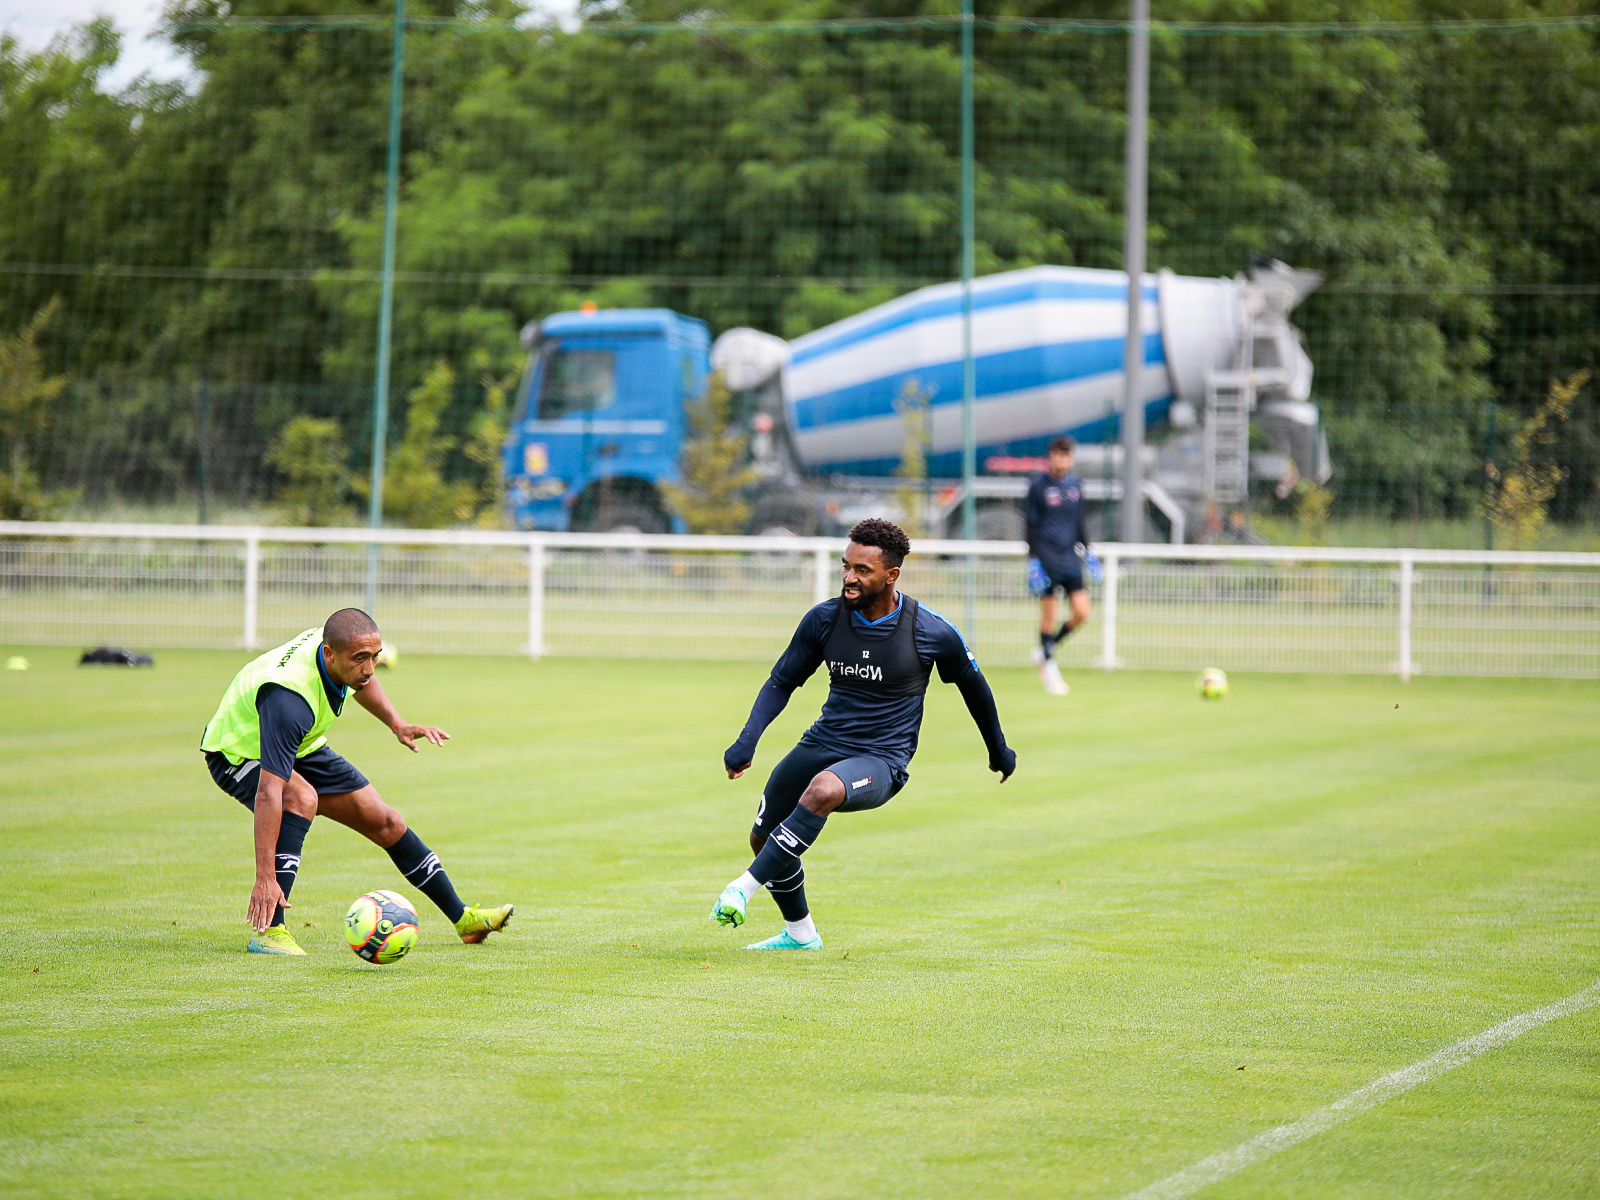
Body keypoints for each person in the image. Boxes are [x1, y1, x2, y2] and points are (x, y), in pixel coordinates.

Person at [709, 518, 1016, 950]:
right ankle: (800, 935)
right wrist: (748, 741)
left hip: (882, 759)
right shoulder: (824, 619)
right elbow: (782, 681)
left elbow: (975, 690)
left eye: (862, 570)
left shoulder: (930, 631)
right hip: (821, 743)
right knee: (764, 837)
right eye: (846, 566)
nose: (850, 578)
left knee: (821, 792)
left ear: (891, 575)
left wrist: (998, 749)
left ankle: (742, 888)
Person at [200, 608, 513, 955]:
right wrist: (264, 878)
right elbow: (268, 793)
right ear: (330, 654)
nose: (368, 667)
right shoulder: (289, 699)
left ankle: (464, 920)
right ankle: (270, 931)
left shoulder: (340, 652)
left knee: (387, 821)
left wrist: (397, 724)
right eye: (360, 658)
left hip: (301, 744)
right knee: (300, 798)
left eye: (375, 657)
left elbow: (360, 682)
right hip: (237, 751)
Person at [1025, 435, 1100, 696]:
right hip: (1046, 558)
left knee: (1082, 612)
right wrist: (1033, 560)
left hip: (1070, 558)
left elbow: (1080, 523)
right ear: (1050, 457)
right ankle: (1050, 672)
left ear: (1071, 458)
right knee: (1049, 616)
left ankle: (1045, 650)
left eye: (1066, 455)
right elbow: (1031, 525)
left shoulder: (1077, 486)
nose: (1062, 460)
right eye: (1058, 455)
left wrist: (1089, 553)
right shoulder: (1037, 486)